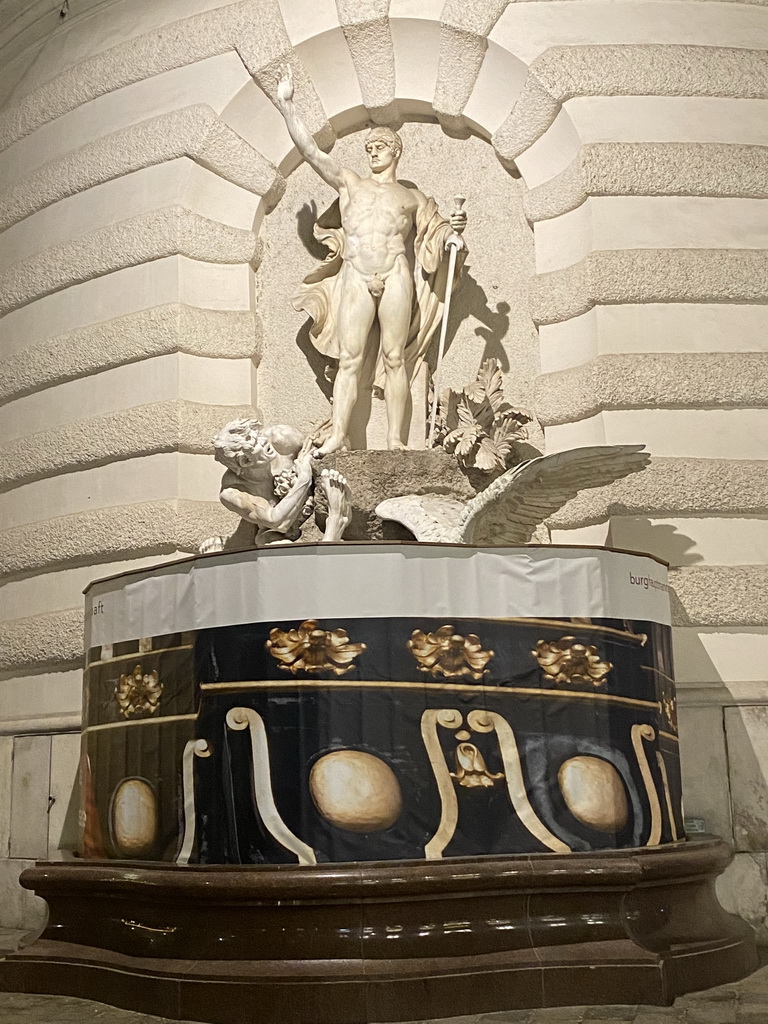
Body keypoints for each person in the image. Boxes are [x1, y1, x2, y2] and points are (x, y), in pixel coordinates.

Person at [275, 67, 467, 455]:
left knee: (396, 358)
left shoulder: (412, 198)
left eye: (380, 146)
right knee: (350, 358)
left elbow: (438, 233)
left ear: (395, 151)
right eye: (369, 148)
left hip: (396, 273)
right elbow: (311, 151)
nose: (372, 152)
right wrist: (287, 105)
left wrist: (454, 233)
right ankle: (338, 435)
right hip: (356, 275)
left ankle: (395, 438)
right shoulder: (350, 184)